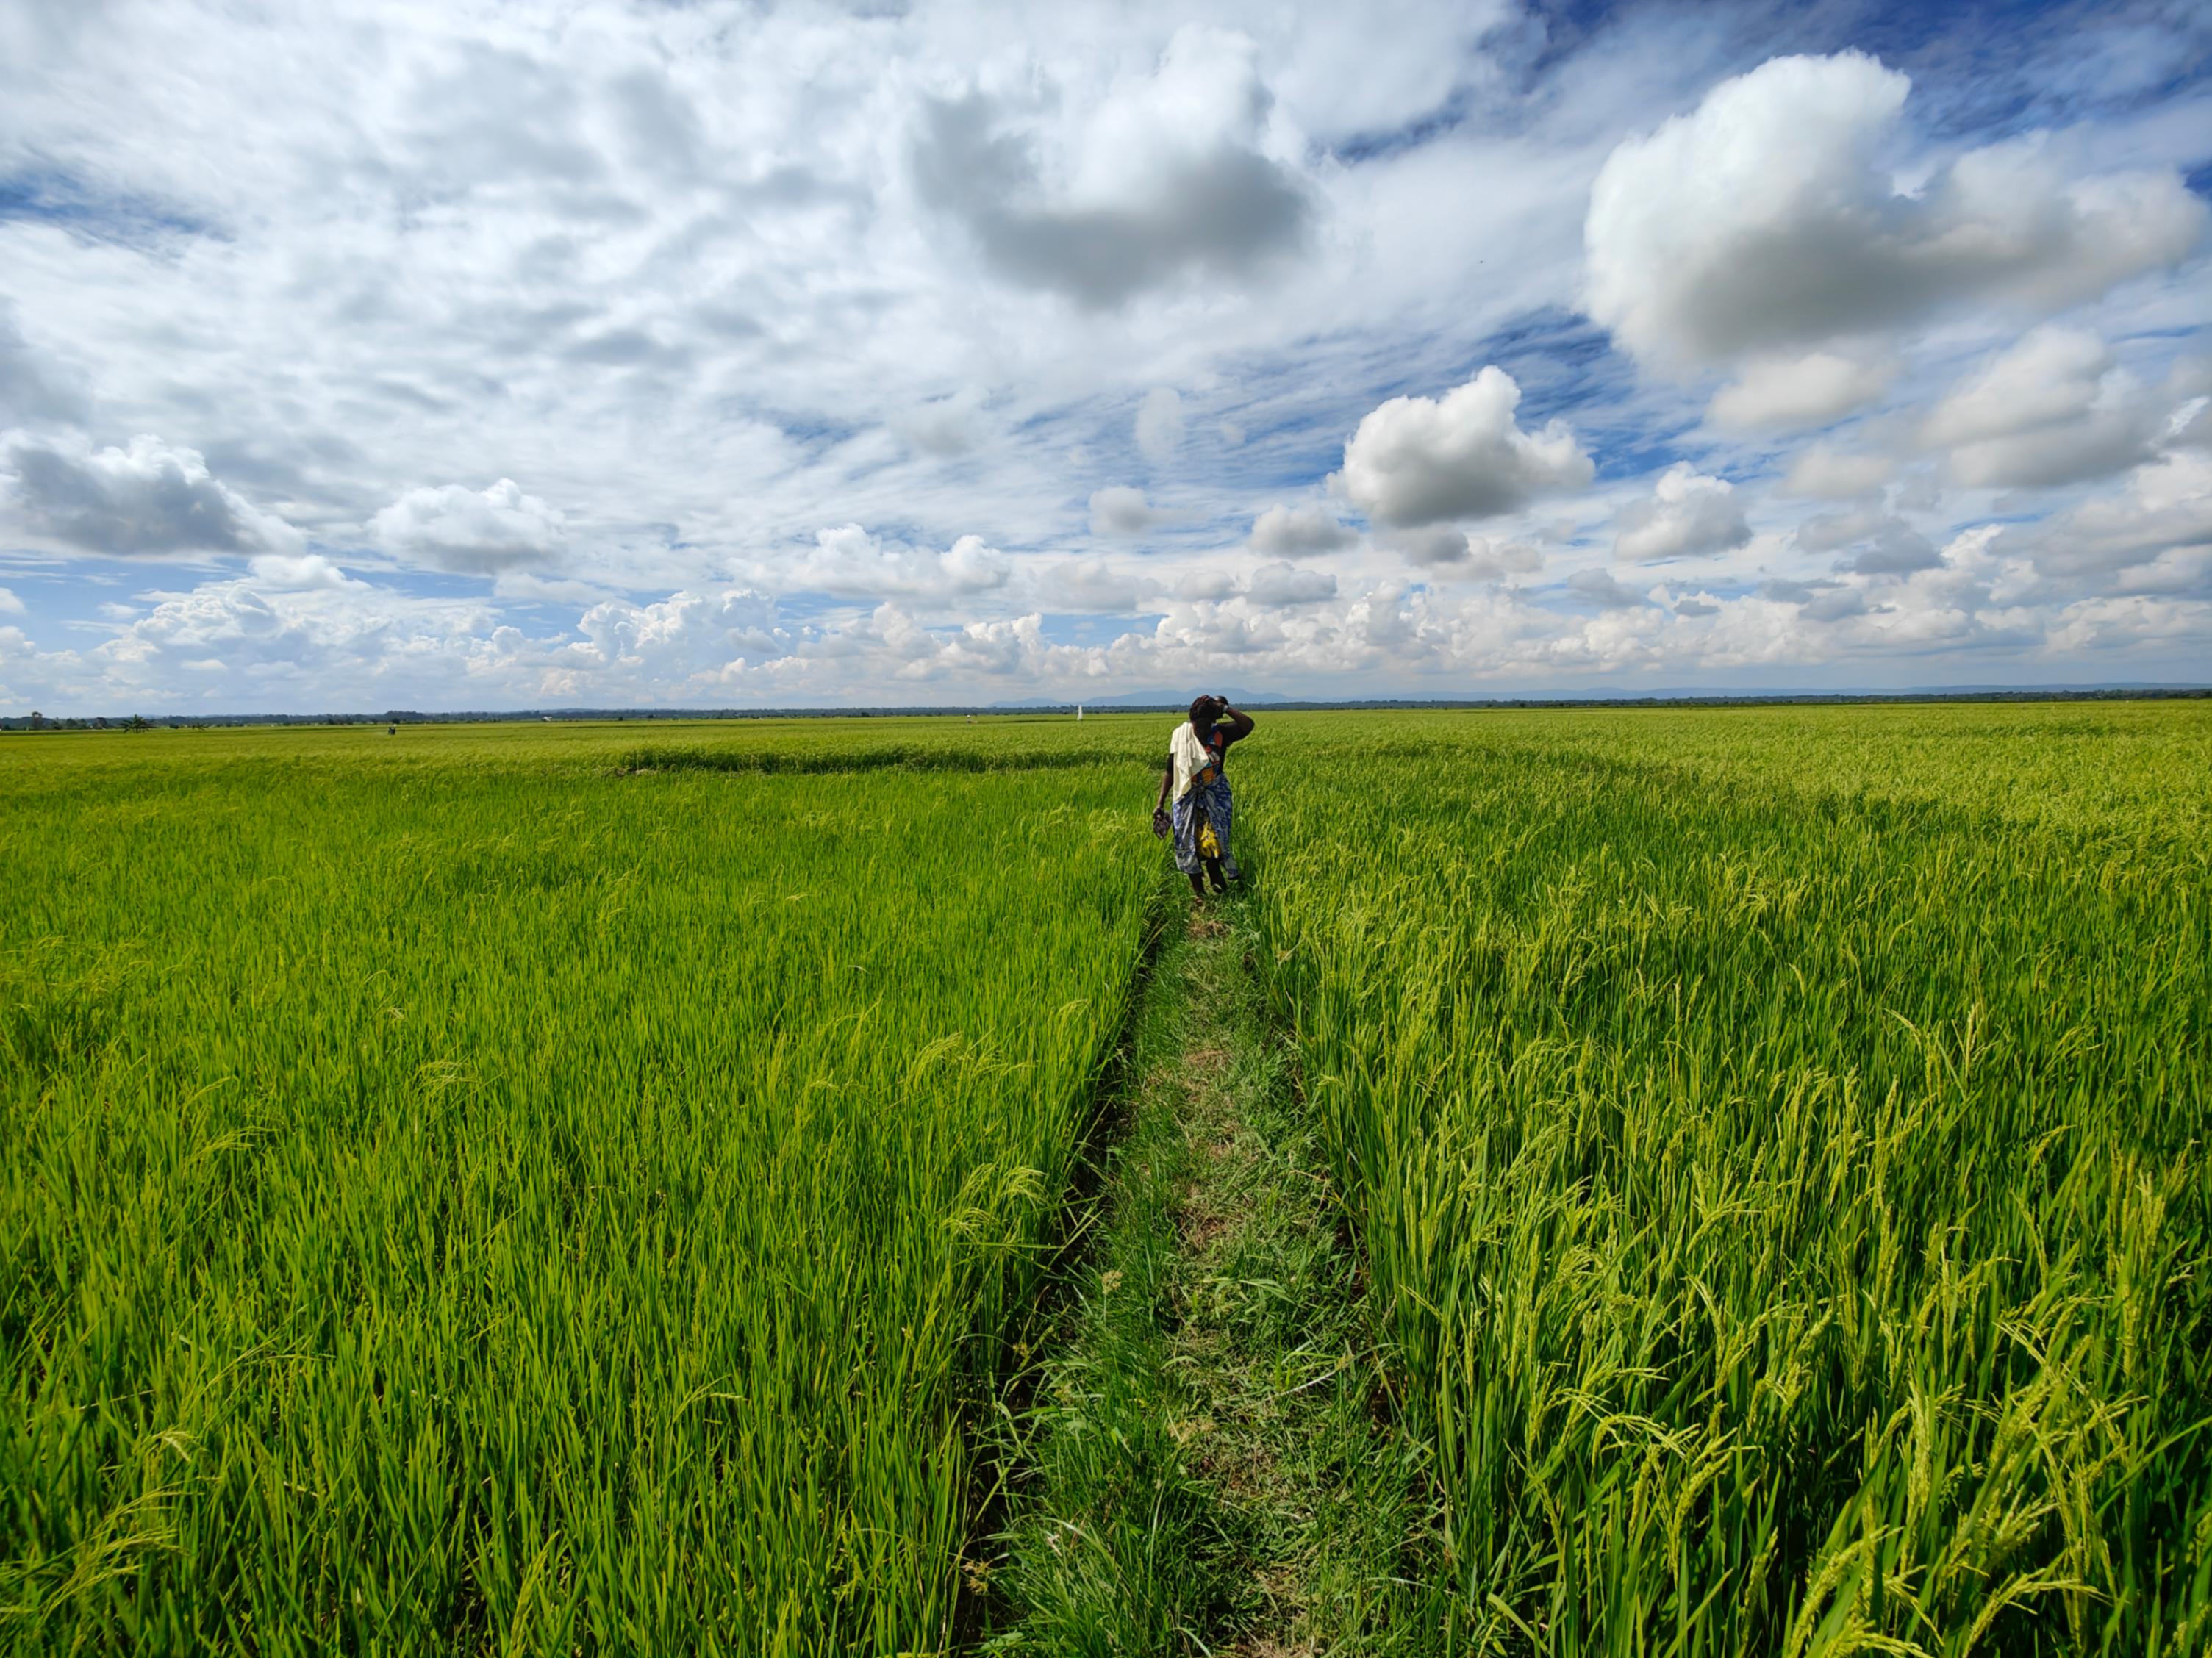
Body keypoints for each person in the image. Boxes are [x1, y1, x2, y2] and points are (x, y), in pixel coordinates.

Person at [1153, 694, 1253, 897]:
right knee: (1188, 844)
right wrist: (1160, 802)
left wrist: (1224, 708)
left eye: (1206, 726)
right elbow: (1171, 770)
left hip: (1215, 796)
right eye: (1198, 726)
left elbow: (1248, 725)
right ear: (1192, 722)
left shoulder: (1221, 734)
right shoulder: (1181, 736)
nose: (1201, 731)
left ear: (1214, 722)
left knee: (1215, 843)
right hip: (1187, 797)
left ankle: (1220, 885)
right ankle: (1199, 895)